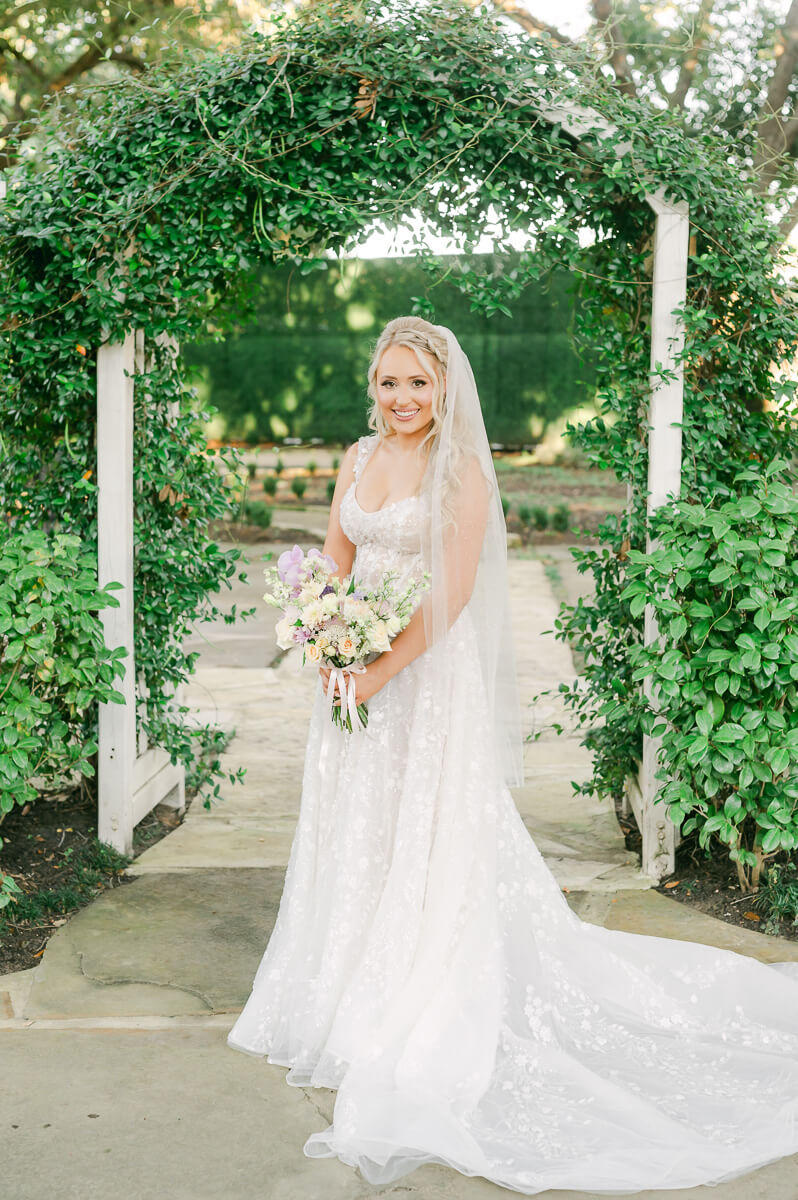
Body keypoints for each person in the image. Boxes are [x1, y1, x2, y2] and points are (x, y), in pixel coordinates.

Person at [228, 316, 798, 1195]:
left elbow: (448, 600)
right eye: (388, 382)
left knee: (427, 829)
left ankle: (419, 979)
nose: (402, 399)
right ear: (371, 386)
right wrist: (322, 637)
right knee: (355, 823)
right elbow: (334, 562)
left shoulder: (462, 475)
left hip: (419, 678)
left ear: (444, 388)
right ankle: (338, 981)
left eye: (417, 384)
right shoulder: (354, 458)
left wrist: (373, 674)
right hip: (350, 677)